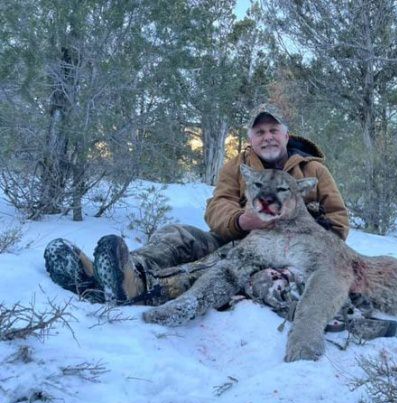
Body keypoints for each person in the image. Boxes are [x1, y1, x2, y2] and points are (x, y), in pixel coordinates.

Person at [44, 104, 349, 306]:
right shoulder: (237, 165)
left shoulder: (314, 171)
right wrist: (242, 221)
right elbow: (217, 207)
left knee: (219, 265)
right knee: (177, 234)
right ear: (251, 139)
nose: (267, 137)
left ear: (286, 134)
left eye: (273, 131)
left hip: (280, 254)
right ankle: (113, 271)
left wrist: (294, 232)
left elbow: (338, 223)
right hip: (237, 234)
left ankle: (139, 287)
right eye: (259, 132)